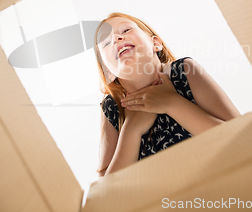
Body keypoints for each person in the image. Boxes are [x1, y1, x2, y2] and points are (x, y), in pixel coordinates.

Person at [94, 12, 240, 177]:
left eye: (126, 30)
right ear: (107, 70)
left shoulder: (184, 72)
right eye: (106, 42)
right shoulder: (112, 108)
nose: (116, 38)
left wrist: (172, 103)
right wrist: (131, 129)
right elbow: (106, 194)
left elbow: (243, 139)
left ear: (155, 43)